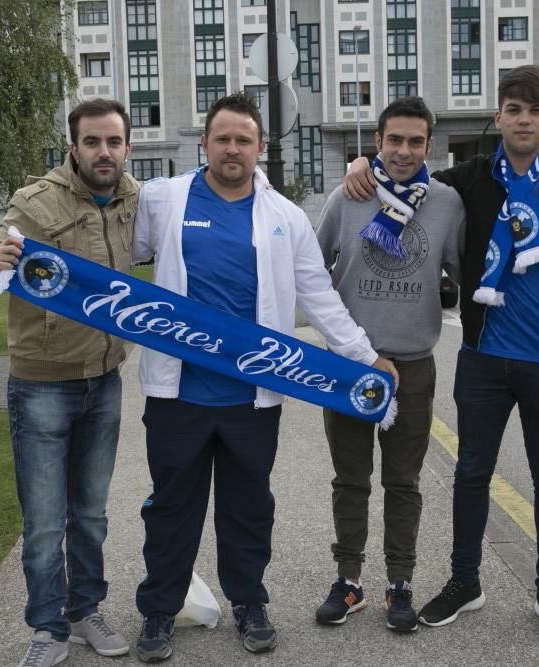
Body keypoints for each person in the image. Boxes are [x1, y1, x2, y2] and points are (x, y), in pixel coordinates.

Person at [343, 65, 539, 647]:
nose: (523, 119)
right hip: (484, 359)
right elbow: (406, 175)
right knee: (471, 472)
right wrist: (362, 167)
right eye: (513, 109)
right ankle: (465, 581)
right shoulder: (467, 181)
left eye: (535, 110)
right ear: (498, 117)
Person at [131, 91, 397, 663]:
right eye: (222, 138)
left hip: (253, 394)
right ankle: (158, 609)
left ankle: (250, 601)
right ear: (203, 144)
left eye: (243, 140)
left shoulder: (285, 217)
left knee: (249, 504)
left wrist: (362, 354)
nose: (232, 149)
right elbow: (105, 248)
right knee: (172, 505)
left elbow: (317, 295)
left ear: (260, 149)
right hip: (178, 392)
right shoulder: (162, 200)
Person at [0, 98, 139, 666]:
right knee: (44, 521)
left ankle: (84, 610)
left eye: (113, 142)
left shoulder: (134, 198)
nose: (104, 152)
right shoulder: (34, 202)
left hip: (105, 380)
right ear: (74, 147)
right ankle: (47, 628)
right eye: (92, 142)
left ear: (127, 148)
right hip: (42, 386)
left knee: (90, 513)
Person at [312, 96, 463, 633]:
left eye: (415, 141)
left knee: (405, 483)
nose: (403, 151)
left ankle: (399, 584)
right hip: (351, 367)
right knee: (350, 480)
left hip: (414, 367)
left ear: (429, 145)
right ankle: (347, 580)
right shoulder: (347, 196)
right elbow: (312, 272)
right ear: (376, 143)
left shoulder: (446, 204)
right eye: (393, 140)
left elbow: (464, 277)